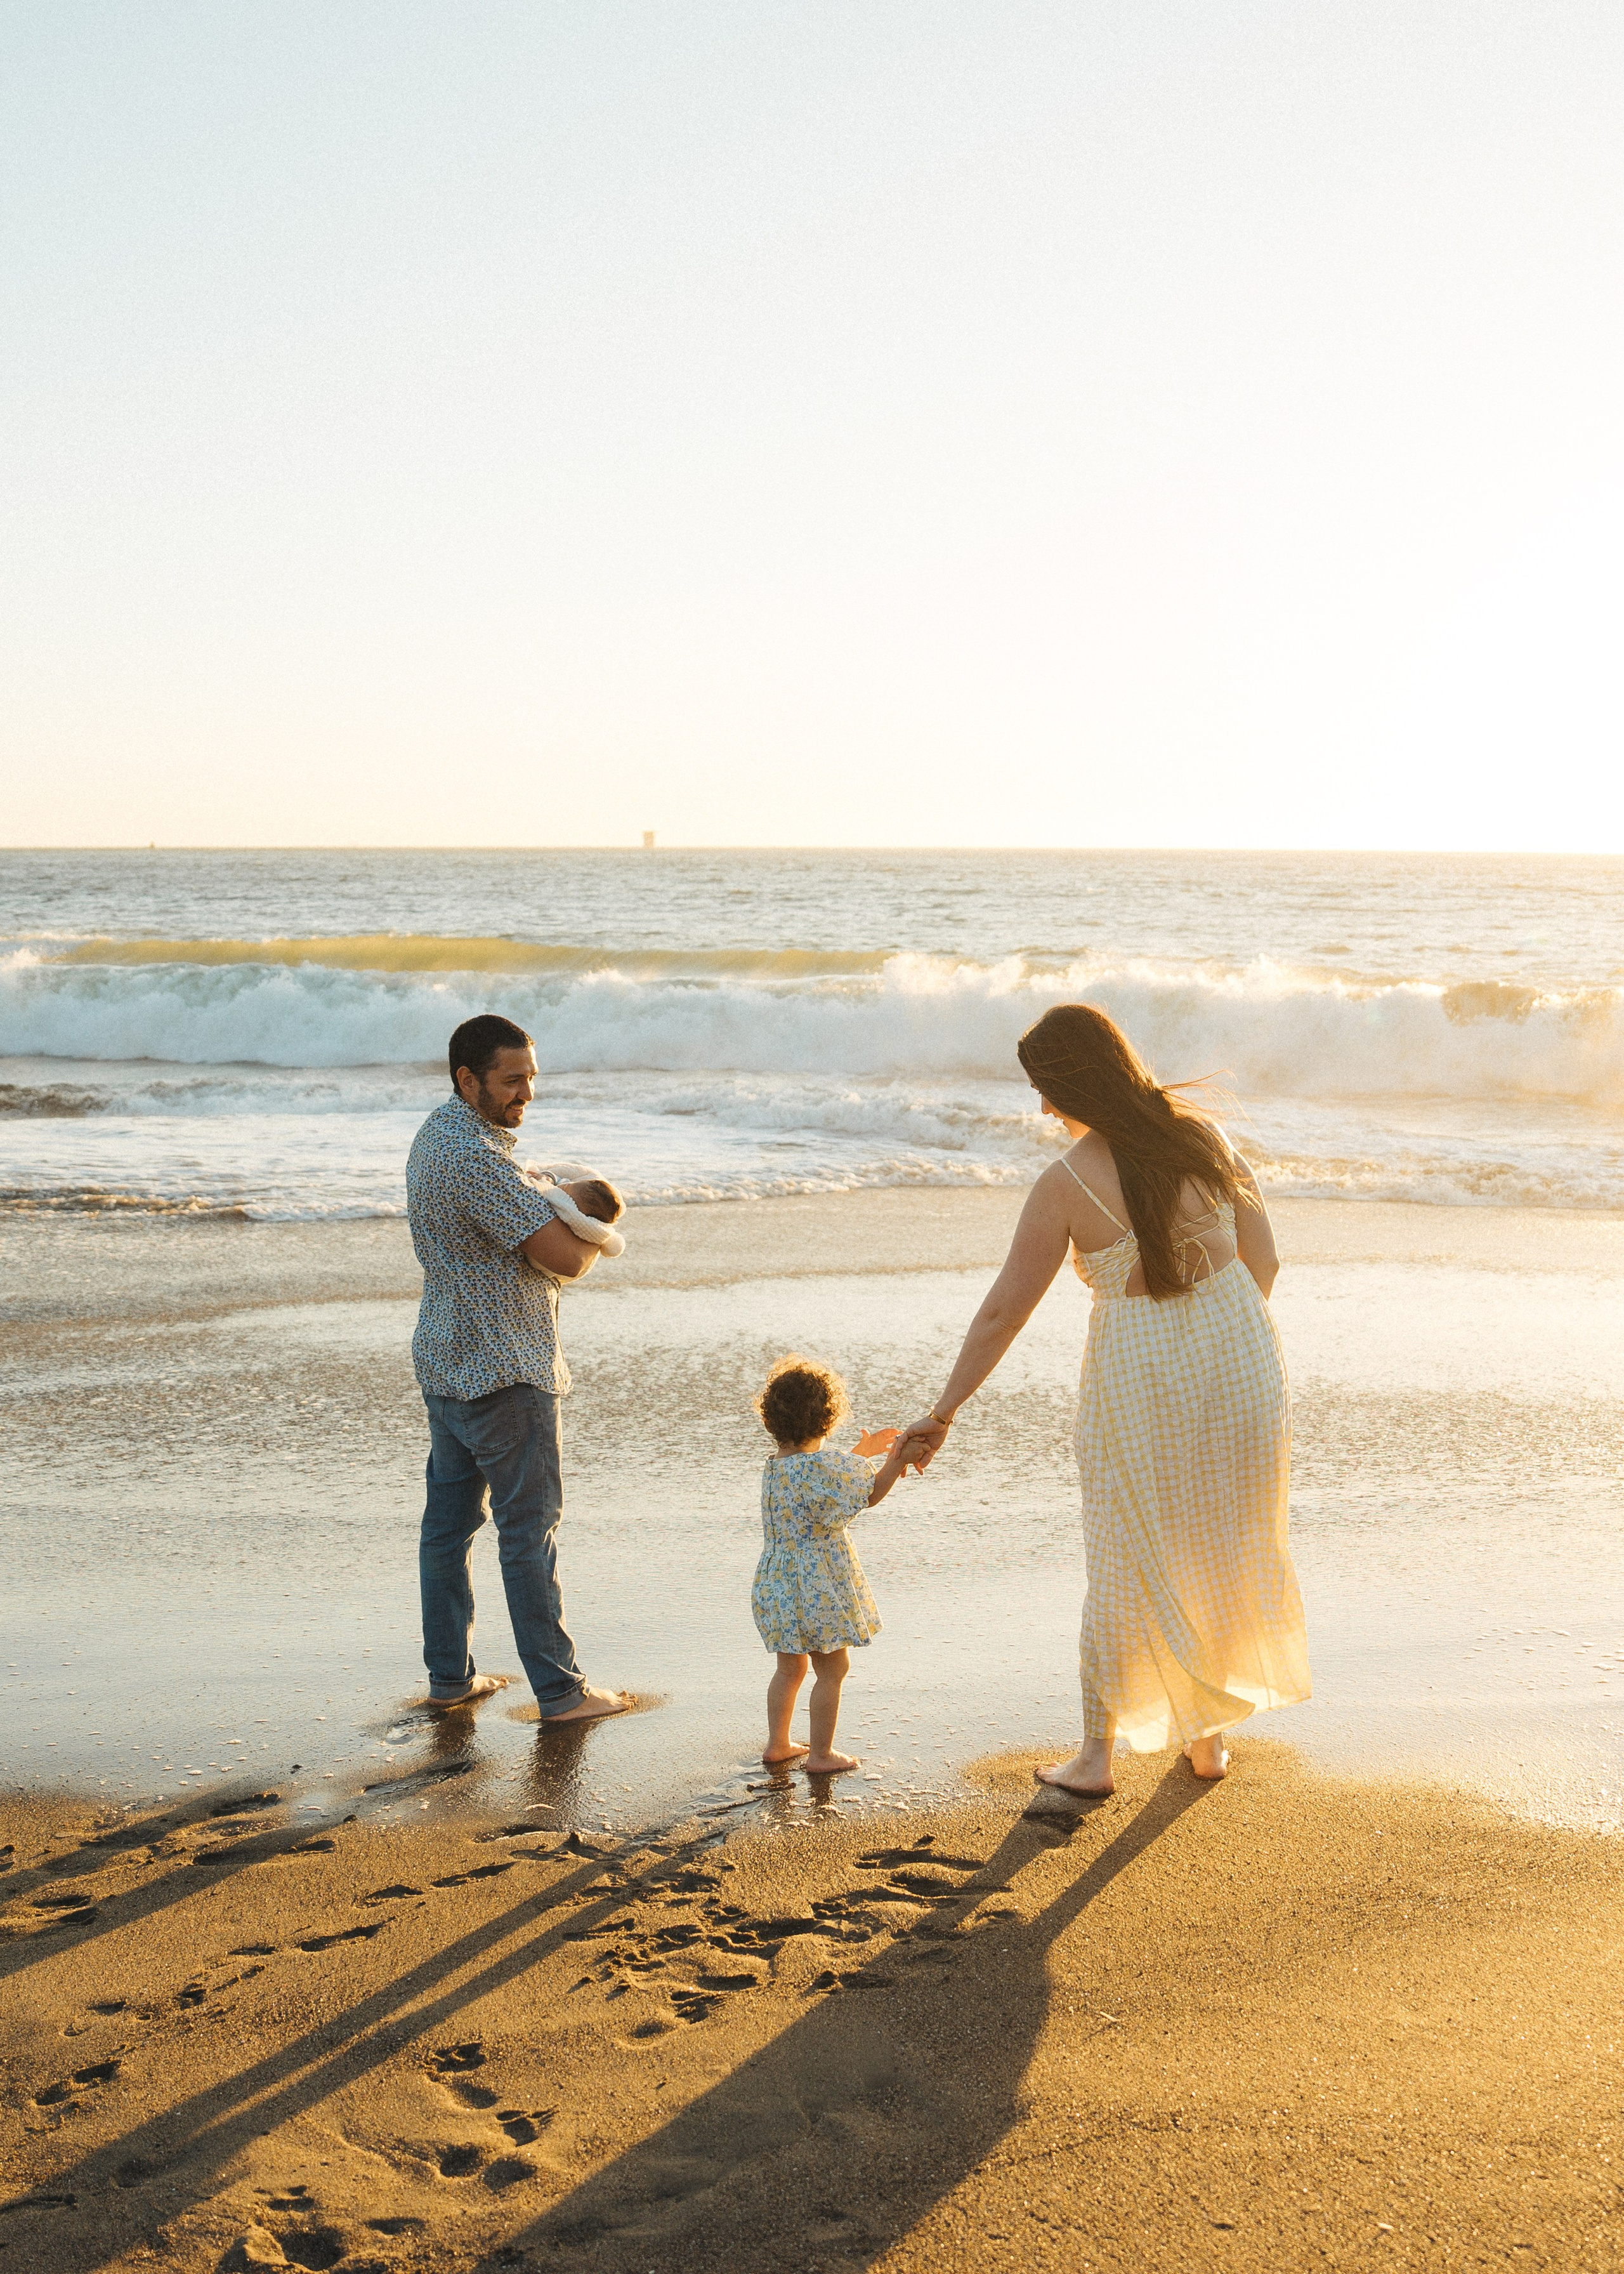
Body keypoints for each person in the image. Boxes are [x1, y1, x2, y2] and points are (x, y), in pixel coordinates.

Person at [898, 1002, 1310, 1794]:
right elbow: (1264, 1263)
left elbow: (1001, 1312)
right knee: (1216, 1545)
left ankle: (1096, 1756)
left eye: (1044, 1089)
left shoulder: (1064, 1183)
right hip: (1242, 1364)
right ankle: (1208, 1739)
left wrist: (943, 1409)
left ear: (1072, 1083)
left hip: (1139, 1378)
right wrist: (1217, 1338)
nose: (1041, 1108)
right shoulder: (1205, 1138)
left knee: (1123, 1556)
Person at [405, 1013, 629, 1721]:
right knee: (527, 1531)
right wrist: (596, 1228)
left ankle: (450, 1678)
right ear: (467, 1079)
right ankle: (561, 1691)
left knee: (448, 1529)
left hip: (448, 1359)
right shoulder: (474, 1156)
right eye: (510, 1080)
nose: (525, 1093)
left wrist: (554, 1207)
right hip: (504, 1369)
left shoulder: (434, 1137)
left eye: (531, 1076)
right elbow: (565, 1257)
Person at [751, 1356, 910, 1776]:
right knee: (833, 1667)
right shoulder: (823, 1468)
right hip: (817, 1585)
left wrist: (863, 1452)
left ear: (772, 1420)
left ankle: (778, 1743)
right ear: (828, 1420)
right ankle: (821, 1755)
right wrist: (895, 1459)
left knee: (790, 1668)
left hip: (777, 1584)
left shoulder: (777, 1467)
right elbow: (867, 1492)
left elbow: (828, 1479)